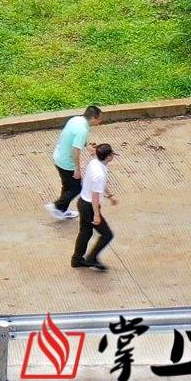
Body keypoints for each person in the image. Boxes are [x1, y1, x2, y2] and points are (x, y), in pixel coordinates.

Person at [46, 105, 101, 222]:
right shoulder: (83, 130)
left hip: (58, 156)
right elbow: (75, 150)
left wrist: (87, 146)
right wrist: (77, 168)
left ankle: (63, 210)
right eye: (99, 119)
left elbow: (73, 137)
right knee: (76, 188)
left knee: (67, 185)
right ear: (92, 118)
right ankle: (57, 206)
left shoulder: (76, 120)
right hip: (67, 162)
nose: (100, 121)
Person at [71, 143, 117, 272]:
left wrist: (110, 196)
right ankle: (91, 258)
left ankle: (77, 259)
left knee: (85, 233)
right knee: (107, 235)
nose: (113, 155)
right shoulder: (99, 174)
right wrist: (96, 215)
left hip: (82, 202)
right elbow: (95, 196)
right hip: (89, 207)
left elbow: (98, 187)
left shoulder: (94, 163)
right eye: (112, 154)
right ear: (108, 157)